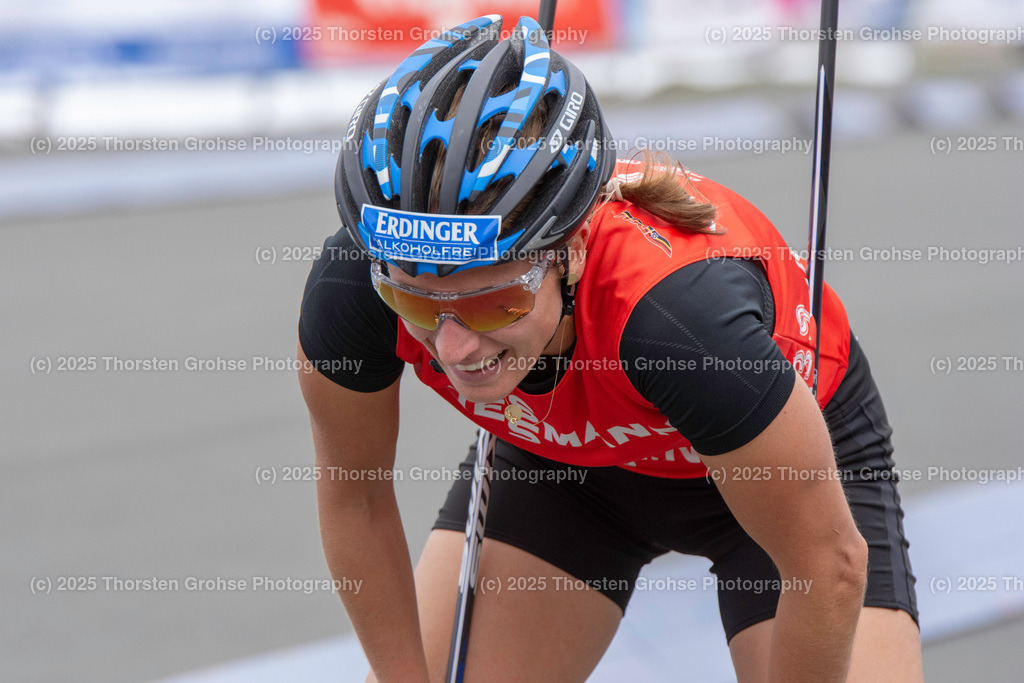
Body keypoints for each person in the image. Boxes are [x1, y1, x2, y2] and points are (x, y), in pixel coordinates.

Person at [298, 14, 922, 682]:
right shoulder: (355, 286)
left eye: (491, 303)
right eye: (418, 302)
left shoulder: (679, 322)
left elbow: (827, 564)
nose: (452, 346)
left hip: (774, 463)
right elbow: (356, 501)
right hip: (565, 475)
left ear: (571, 249)